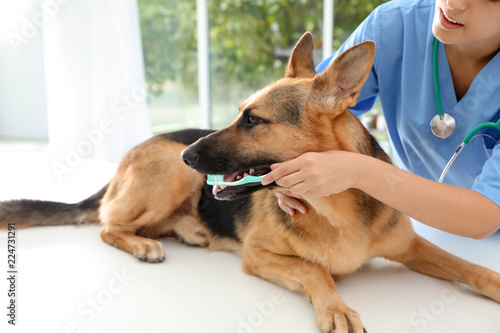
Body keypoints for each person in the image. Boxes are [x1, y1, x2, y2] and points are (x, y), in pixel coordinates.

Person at [261, 0, 500, 239]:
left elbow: (484, 217)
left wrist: (360, 172)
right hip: (423, 226)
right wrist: (286, 173)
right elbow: (313, 117)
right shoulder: (394, 26)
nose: (453, 3)